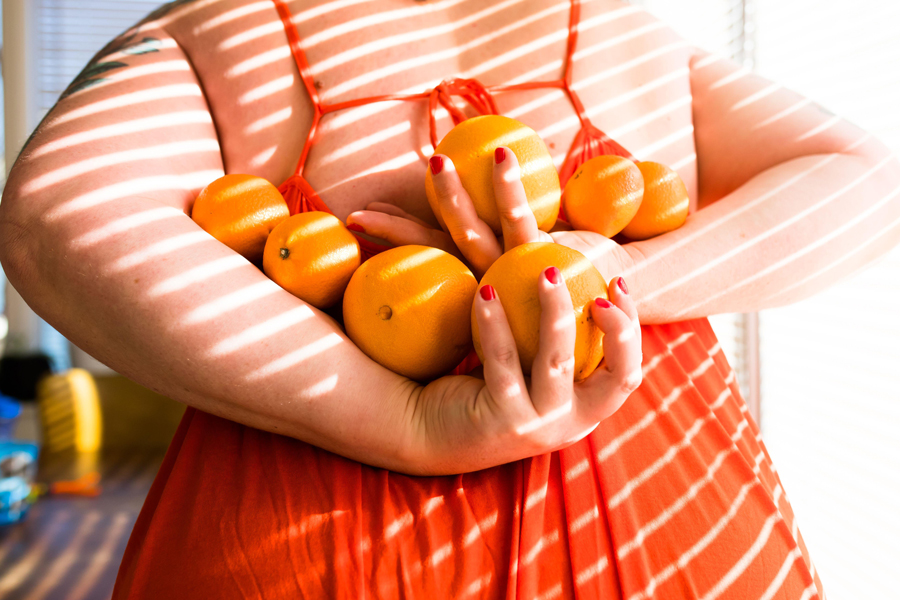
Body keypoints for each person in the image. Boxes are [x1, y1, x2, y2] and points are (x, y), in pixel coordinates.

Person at [1, 0, 898, 597]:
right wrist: (594, 275)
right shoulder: (618, 26)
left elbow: (60, 211)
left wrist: (575, 279)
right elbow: (869, 179)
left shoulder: (221, 28)